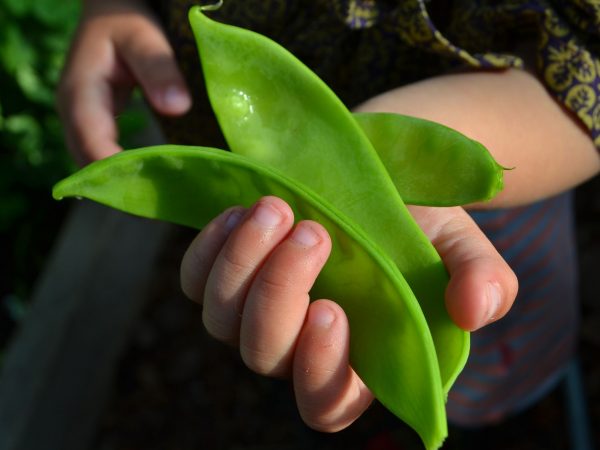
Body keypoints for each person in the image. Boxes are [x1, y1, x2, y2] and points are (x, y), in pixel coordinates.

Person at [57, 0, 599, 442]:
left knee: (487, 358)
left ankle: (507, 405)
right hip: (245, 174)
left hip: (490, 218)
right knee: (309, 314)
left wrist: (388, 160)